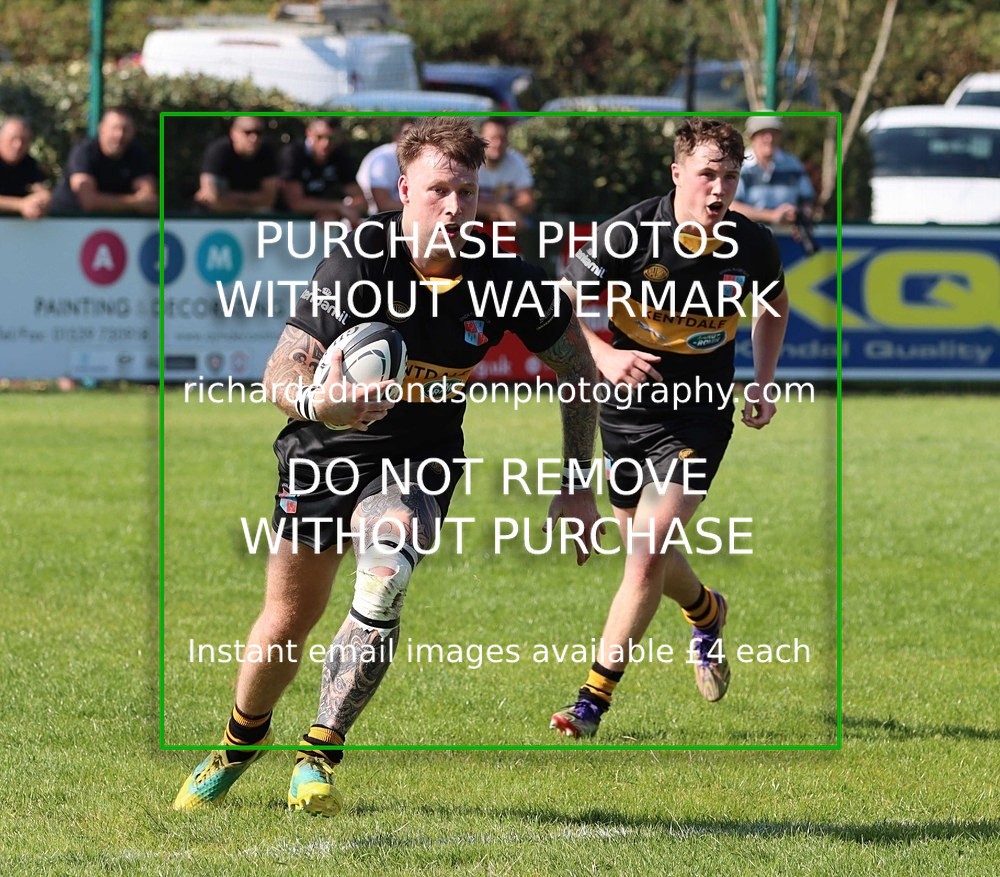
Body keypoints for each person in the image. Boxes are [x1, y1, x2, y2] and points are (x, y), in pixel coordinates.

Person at [174, 117, 602, 816]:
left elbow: (577, 368)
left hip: (417, 458)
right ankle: (238, 743)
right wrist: (322, 403)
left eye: (467, 191)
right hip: (322, 452)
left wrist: (577, 484)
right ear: (404, 190)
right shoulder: (360, 260)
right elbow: (280, 370)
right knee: (286, 618)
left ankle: (317, 756)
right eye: (439, 190)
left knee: (383, 579)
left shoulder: (506, 276)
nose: (455, 208)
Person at [549, 118, 789, 739]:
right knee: (646, 554)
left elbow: (774, 306)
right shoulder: (631, 233)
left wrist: (762, 380)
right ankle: (707, 612)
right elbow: (560, 301)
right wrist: (602, 356)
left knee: (647, 551)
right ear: (678, 172)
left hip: (701, 411)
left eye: (730, 177)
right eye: (708, 173)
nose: (719, 189)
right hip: (628, 411)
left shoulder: (752, 243)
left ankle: (591, 700)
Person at [49, 107, 157, 214]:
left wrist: (137, 202)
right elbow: (89, 202)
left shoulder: (138, 154)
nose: (119, 135)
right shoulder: (84, 152)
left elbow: (149, 201)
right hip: (69, 222)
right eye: (115, 128)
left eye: (125, 129)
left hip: (115, 226)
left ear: (133, 132)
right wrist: (134, 203)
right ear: (102, 129)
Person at [730, 116, 816, 230]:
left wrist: (800, 218)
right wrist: (772, 216)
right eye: (763, 133)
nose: (769, 138)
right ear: (751, 137)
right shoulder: (739, 165)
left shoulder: (794, 164)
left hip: (789, 238)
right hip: (747, 236)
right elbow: (731, 206)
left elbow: (807, 200)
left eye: (774, 133)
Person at [278, 117, 365, 224]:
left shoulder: (341, 156)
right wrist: (337, 207)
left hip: (323, 223)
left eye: (332, 138)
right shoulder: (293, 154)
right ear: (309, 133)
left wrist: (334, 212)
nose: (325, 144)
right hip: (285, 225)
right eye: (320, 137)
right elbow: (296, 203)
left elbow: (361, 201)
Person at [194, 116, 280, 213]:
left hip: (254, 218)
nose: (254, 138)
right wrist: (251, 202)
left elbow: (269, 199)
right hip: (215, 219)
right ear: (233, 133)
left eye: (259, 133)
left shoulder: (267, 152)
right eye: (247, 132)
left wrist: (233, 197)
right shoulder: (219, 151)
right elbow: (211, 198)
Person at [475, 117, 535, 232]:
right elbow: (459, 202)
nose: (498, 144)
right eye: (493, 138)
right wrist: (498, 209)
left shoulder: (516, 161)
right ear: (480, 139)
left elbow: (527, 200)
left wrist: (510, 211)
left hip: (505, 223)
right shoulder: (469, 162)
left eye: (502, 138)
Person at [355, 118, 415, 215]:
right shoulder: (383, 160)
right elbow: (384, 204)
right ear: (395, 138)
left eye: (416, 137)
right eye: (407, 136)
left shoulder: (413, 160)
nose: (412, 142)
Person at [0, 116, 51, 219]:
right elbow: (23, 205)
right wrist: (20, 205)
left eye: (23, 140)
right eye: (13, 139)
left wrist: (42, 201)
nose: (18, 145)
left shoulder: (28, 163)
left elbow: (41, 190)